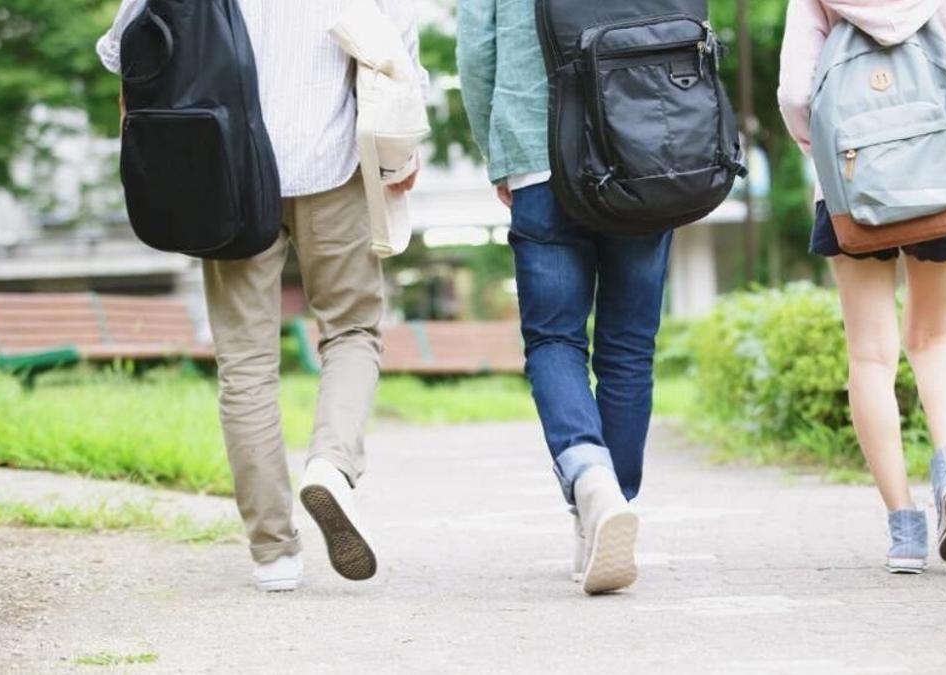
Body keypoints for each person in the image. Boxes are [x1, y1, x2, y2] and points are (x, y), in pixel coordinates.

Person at [96, 0, 428, 592]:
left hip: (223, 169)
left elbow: (127, 49)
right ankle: (331, 463)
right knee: (351, 332)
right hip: (335, 167)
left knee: (245, 361)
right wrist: (400, 152)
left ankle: (273, 553)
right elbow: (397, 57)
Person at [777, 0, 946, 573]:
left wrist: (836, 154)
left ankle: (904, 529)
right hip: (944, 176)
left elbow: (795, 95)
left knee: (870, 356)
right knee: (933, 340)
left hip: (850, 185)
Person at [457, 0, 673, 595]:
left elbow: (477, 52)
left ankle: (590, 481)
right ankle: (610, 504)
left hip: (538, 150)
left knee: (555, 339)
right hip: (644, 145)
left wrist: (495, 149)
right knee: (629, 346)